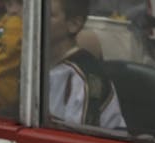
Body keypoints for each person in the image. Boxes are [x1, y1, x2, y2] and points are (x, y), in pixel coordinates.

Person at [48, 0, 128, 131]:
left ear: (73, 24)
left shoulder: (84, 78)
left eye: (47, 15)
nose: (33, 20)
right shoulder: (34, 62)